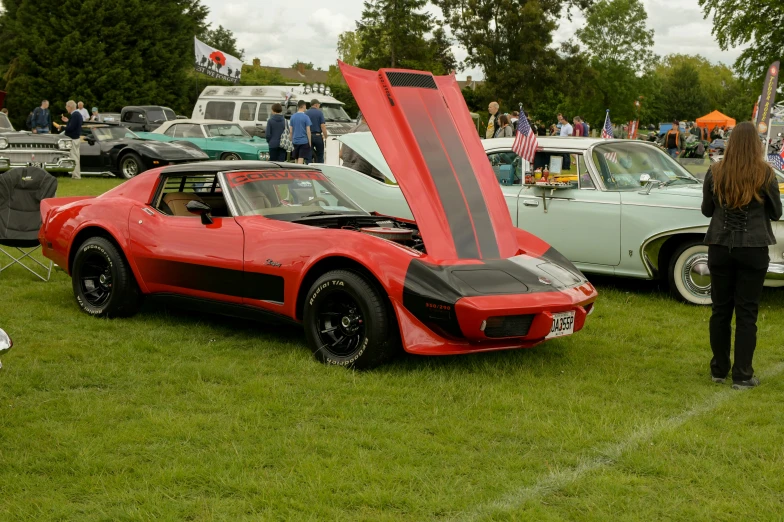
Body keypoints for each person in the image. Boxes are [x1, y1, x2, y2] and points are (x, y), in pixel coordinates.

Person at [701, 121, 782, 389]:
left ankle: (719, 370)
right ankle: (743, 375)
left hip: (721, 248)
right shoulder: (765, 174)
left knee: (720, 311)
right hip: (752, 250)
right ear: (756, 145)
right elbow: (776, 213)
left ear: (731, 142)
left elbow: (706, 210)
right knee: (747, 313)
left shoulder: (716, 171)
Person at [340, 115, 386, 182]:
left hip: (349, 173)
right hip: (371, 177)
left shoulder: (351, 131)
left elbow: (341, 154)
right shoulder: (374, 132)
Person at [60, 100, 83, 179]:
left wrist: (61, 127)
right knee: (76, 156)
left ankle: (76, 175)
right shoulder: (77, 115)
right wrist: (67, 121)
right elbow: (73, 125)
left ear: (69, 107)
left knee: (74, 157)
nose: (66, 109)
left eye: (67, 107)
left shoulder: (75, 115)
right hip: (76, 138)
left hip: (73, 139)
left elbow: (71, 128)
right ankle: (76, 174)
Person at [289, 100, 312, 164]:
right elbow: (308, 131)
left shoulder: (292, 117)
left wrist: (291, 138)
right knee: (301, 157)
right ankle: (299, 171)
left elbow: (291, 131)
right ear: (303, 106)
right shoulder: (306, 117)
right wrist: (310, 142)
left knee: (296, 157)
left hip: (295, 140)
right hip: (303, 141)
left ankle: (296, 171)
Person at [305, 99, 328, 163]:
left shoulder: (306, 113)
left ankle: (308, 169)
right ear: (316, 105)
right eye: (319, 105)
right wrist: (326, 136)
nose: (319, 106)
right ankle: (320, 169)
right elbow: (322, 126)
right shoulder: (319, 113)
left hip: (308, 136)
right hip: (318, 136)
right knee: (320, 155)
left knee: (308, 155)